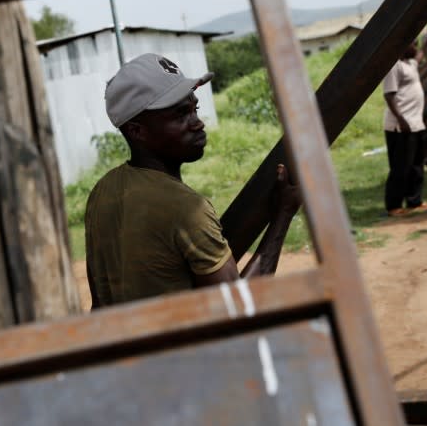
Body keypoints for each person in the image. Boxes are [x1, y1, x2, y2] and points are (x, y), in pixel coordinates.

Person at [85, 53, 300, 308]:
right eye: (180, 115)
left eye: (194, 109)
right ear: (136, 131)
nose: (197, 123)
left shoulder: (102, 191)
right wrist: (283, 215)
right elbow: (238, 309)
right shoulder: (186, 209)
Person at [382, 41, 427, 217]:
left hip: (416, 123)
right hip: (400, 126)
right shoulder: (394, 66)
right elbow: (389, 95)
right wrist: (401, 119)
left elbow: (419, 55)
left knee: (416, 165)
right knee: (400, 167)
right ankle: (393, 205)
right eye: (413, 44)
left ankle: (414, 201)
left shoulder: (411, 63)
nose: (416, 47)